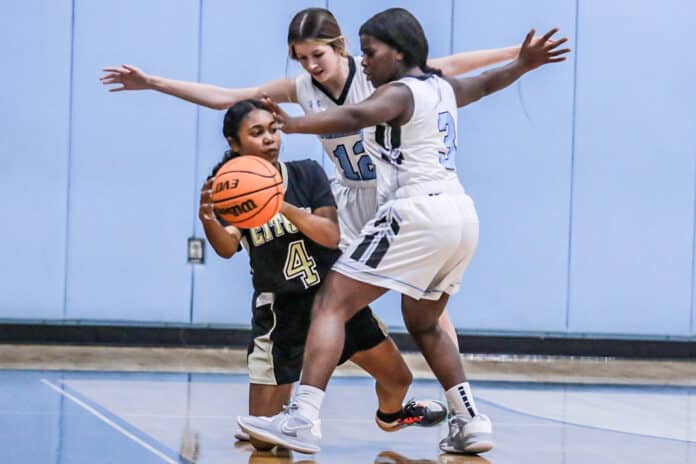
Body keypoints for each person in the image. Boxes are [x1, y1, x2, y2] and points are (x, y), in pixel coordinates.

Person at [236, 8, 570, 455]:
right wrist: (522, 65)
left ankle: (302, 419)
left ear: (398, 51)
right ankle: (470, 421)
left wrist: (293, 123)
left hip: (416, 212)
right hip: (461, 216)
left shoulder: (400, 92)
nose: (365, 62)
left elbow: (354, 116)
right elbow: (486, 83)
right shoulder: (440, 88)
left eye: (371, 53)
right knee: (425, 322)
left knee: (332, 302)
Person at [100, 7, 536, 348]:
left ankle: (443, 402)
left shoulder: (381, 74)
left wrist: (518, 55)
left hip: (397, 199)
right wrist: (154, 82)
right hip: (347, 202)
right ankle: (294, 394)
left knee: (424, 309)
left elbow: (456, 64)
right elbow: (226, 98)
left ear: (341, 46)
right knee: (321, 294)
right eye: (301, 58)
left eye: (318, 55)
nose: (311, 66)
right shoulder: (300, 89)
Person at [202, 99, 448, 450]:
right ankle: (282, 415)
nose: (270, 139)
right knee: (261, 441)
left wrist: (278, 202)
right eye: (257, 133)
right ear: (234, 143)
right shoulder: (230, 187)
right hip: (281, 311)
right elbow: (226, 247)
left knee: (398, 379)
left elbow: (330, 235)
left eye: (273, 129)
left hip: (333, 300)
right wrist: (209, 219)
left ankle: (392, 417)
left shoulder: (306, 173)